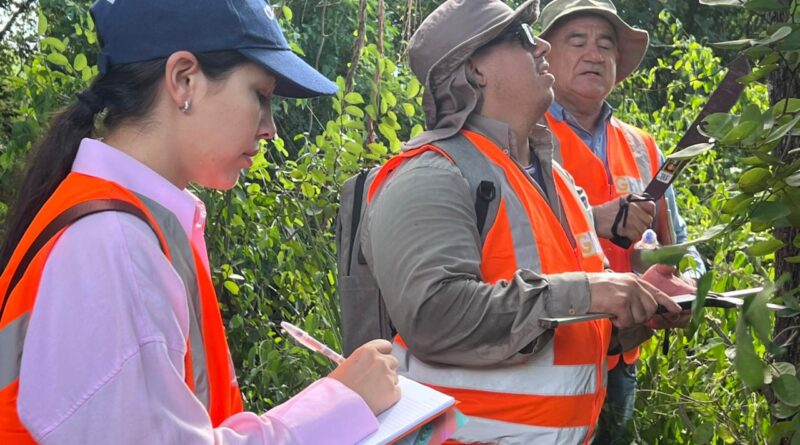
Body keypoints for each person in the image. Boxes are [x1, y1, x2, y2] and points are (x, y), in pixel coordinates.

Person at [0, 1, 400, 444]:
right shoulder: (113, 244)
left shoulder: (127, 223)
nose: (269, 128)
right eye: (260, 95)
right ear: (183, 79)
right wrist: (341, 402)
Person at [359, 0, 691, 443]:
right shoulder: (432, 174)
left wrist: (636, 309)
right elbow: (434, 317)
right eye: (520, 38)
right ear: (474, 70)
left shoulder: (558, 181)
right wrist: (591, 291)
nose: (541, 47)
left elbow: (570, 327)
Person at [539, 0, 704, 442]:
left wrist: (687, 284)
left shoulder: (642, 145)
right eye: (577, 42)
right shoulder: (523, 135)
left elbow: (679, 241)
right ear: (544, 57)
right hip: (549, 352)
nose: (594, 55)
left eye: (605, 45)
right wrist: (593, 220)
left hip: (623, 352)